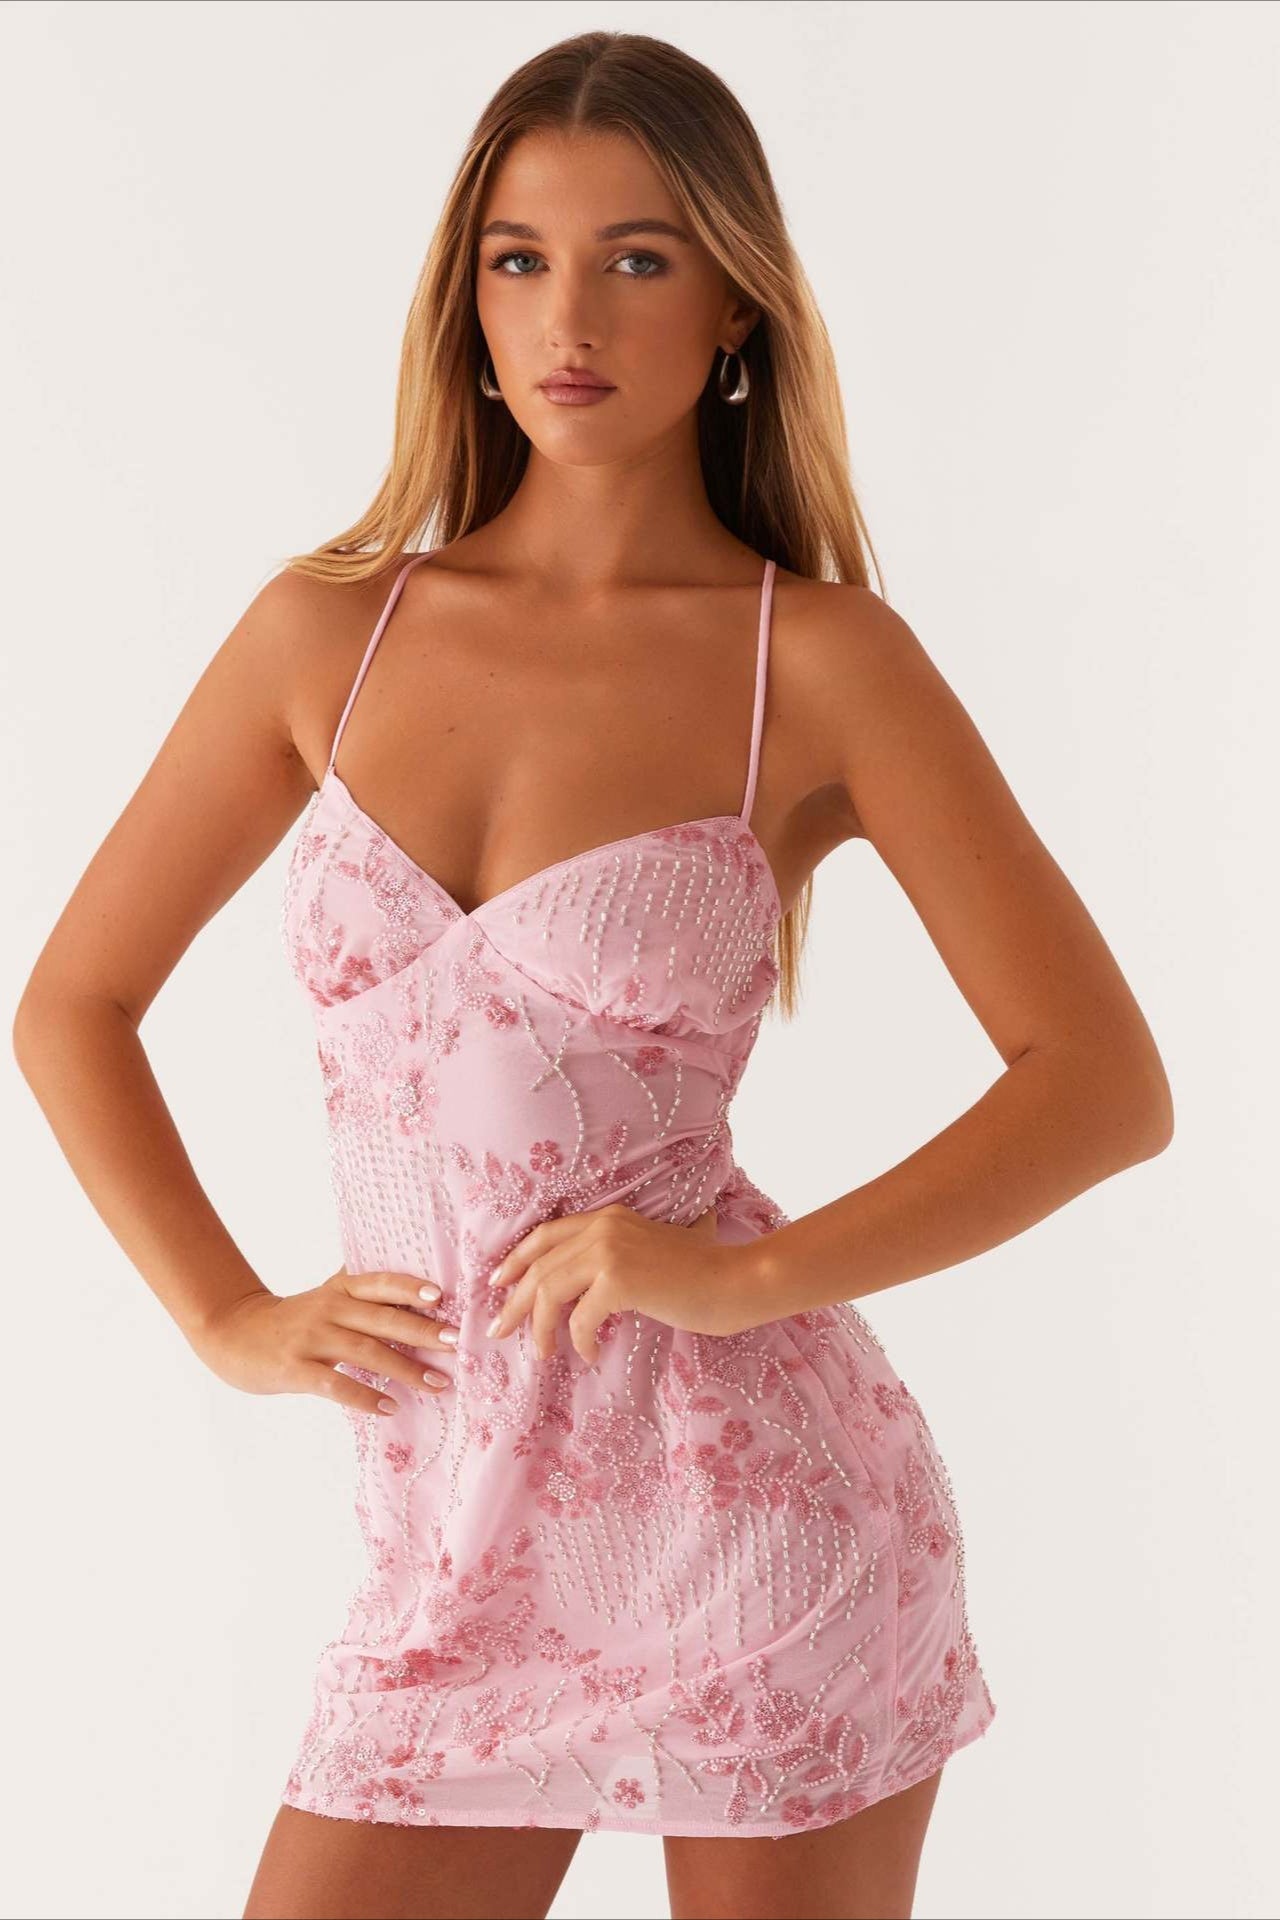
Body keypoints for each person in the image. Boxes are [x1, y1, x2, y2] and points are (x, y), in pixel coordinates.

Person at [11, 29, 1174, 1920]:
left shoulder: (819, 665)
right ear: (467, 303)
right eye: (519, 258)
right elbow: (73, 1006)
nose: (570, 316)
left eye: (639, 257)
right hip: (441, 1545)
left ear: (736, 308)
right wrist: (223, 1315)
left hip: (756, 1531)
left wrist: (746, 1278)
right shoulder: (325, 636)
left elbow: (1103, 1083)